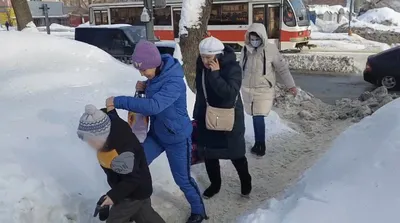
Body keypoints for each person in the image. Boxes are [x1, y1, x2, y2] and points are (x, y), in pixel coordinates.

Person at [105, 40, 207, 223]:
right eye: (140, 70)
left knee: (182, 179)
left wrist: (119, 101)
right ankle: (133, 207)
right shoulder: (155, 76)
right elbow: (154, 91)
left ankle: (199, 210)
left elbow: (154, 105)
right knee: (135, 165)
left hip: (177, 138)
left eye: (144, 70)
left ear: (154, 64)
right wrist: (144, 87)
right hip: (157, 134)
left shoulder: (175, 81)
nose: (142, 73)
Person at [77, 104, 165, 223]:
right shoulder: (109, 127)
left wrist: (113, 196)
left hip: (133, 193)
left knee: (116, 219)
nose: (90, 144)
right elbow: (110, 114)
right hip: (134, 188)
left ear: (102, 136)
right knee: (145, 216)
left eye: (92, 140)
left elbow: (132, 180)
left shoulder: (122, 153)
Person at [193, 36, 252, 199]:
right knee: (209, 153)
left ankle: (246, 182)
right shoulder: (202, 66)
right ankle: (215, 184)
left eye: (208, 57)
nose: (205, 60)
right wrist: (197, 113)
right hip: (208, 116)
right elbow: (201, 93)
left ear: (218, 55)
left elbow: (229, 93)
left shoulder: (232, 68)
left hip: (229, 118)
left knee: (236, 153)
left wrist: (215, 74)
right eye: (203, 56)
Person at [240, 23, 297, 157]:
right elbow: (240, 68)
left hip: (264, 89)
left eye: (257, 38)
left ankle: (261, 145)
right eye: (252, 38)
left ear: (262, 37)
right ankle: (258, 143)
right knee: (254, 116)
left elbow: (282, 69)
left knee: (258, 116)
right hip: (248, 89)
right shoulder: (245, 50)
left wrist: (291, 86)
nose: (254, 41)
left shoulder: (271, 49)